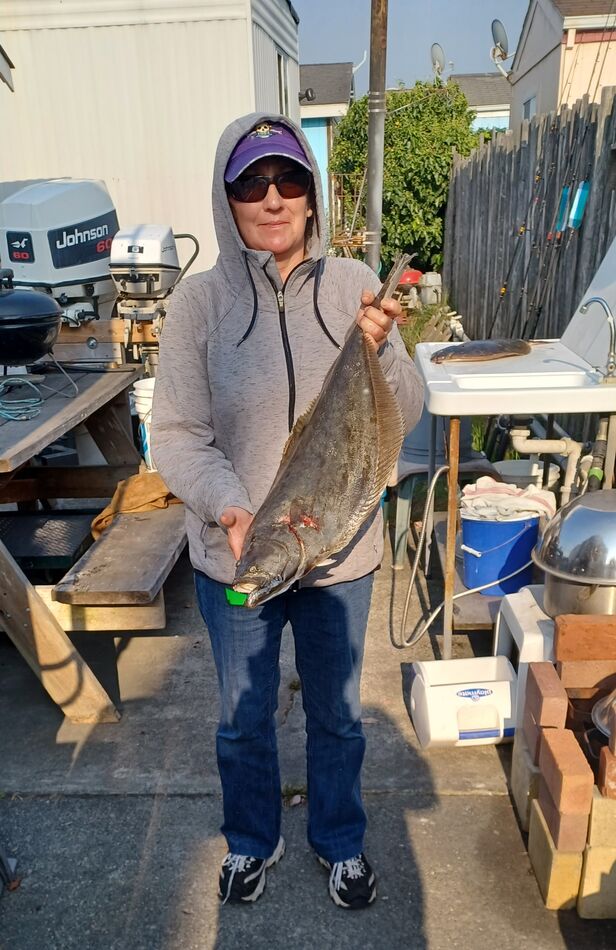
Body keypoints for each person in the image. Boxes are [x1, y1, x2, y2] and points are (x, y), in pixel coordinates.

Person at [152, 113, 424, 909]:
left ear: (311, 194)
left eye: (288, 179)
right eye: (251, 183)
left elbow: (404, 410)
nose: (272, 198)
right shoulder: (198, 305)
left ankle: (339, 840)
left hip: (341, 554)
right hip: (240, 557)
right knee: (244, 716)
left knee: (338, 714)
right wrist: (231, 508)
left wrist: (382, 348)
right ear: (227, 199)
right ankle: (251, 840)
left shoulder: (351, 285)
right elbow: (177, 436)